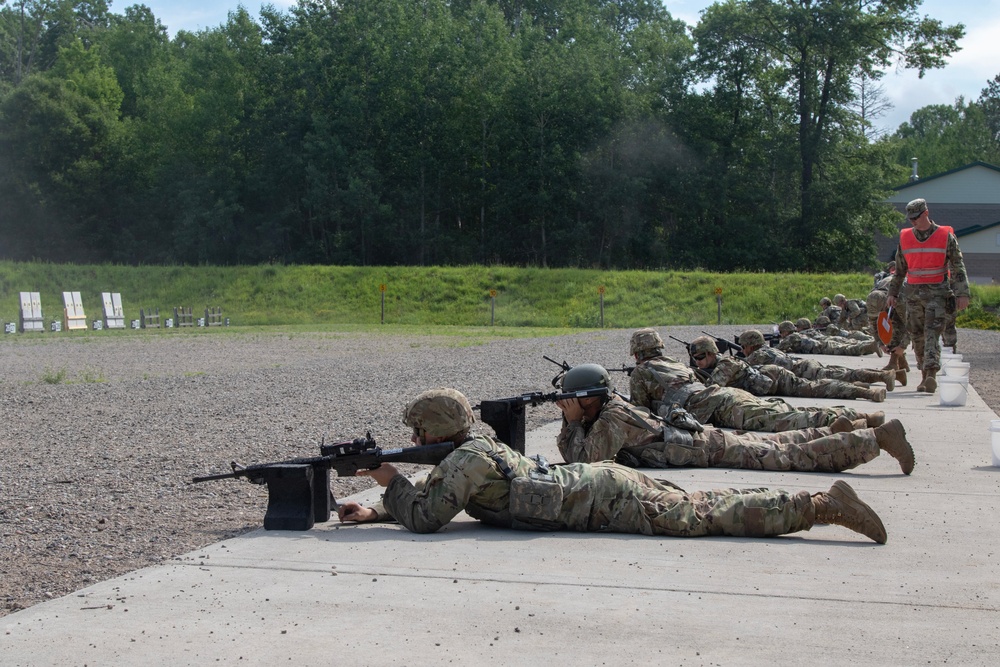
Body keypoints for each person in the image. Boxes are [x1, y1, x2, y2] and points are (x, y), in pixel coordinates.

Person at [337, 388, 888, 543]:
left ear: (435, 430)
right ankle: (818, 499)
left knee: (705, 517)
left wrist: (389, 481)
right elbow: (441, 500)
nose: (411, 439)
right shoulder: (468, 452)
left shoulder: (468, 459)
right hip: (599, 488)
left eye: (418, 431)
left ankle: (818, 505)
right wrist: (380, 508)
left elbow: (430, 516)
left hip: (606, 498)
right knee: (704, 508)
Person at [554, 364, 913, 474]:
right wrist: (575, 421)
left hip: (708, 448)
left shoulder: (612, 417)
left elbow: (585, 460)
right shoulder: (612, 408)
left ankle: (875, 440)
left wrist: (571, 423)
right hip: (705, 440)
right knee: (778, 442)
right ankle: (833, 430)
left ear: (588, 399)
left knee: (786, 457)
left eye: (573, 400)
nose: (569, 405)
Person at [628, 329, 884, 433]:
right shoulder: (674, 364)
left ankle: (852, 419)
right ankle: (859, 416)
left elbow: (639, 412)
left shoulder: (642, 372)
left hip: (721, 405)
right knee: (785, 411)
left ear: (638, 354)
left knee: (782, 419)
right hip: (727, 397)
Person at [886, 198, 970, 393]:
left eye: (916, 217)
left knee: (932, 332)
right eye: (910, 218)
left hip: (938, 294)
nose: (913, 221)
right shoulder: (906, 238)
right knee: (917, 336)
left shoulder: (945, 236)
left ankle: (931, 373)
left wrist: (962, 293)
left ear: (926, 213)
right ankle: (924, 376)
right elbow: (899, 270)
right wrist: (893, 293)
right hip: (913, 295)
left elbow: (958, 266)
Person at [686, 336, 886, 402]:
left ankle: (866, 392)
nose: (698, 362)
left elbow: (710, 389)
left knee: (816, 389)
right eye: (694, 359)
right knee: (819, 382)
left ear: (711, 353)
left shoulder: (725, 364)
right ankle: (861, 384)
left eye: (701, 357)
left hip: (775, 378)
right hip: (769, 380)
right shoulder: (716, 365)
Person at [738, 329, 904, 388]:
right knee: (846, 373)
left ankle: (884, 376)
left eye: (744, 347)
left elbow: (741, 370)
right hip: (807, 365)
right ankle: (896, 374)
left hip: (807, 371)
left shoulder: (757, 355)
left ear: (750, 346)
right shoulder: (767, 350)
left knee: (847, 376)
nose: (743, 351)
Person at [776, 320, 880, 356]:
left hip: (822, 347)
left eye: (781, 332)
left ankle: (872, 346)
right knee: (849, 345)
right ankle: (871, 346)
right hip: (823, 342)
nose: (781, 335)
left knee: (847, 349)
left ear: (785, 331)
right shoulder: (797, 335)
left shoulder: (791, 338)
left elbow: (778, 349)